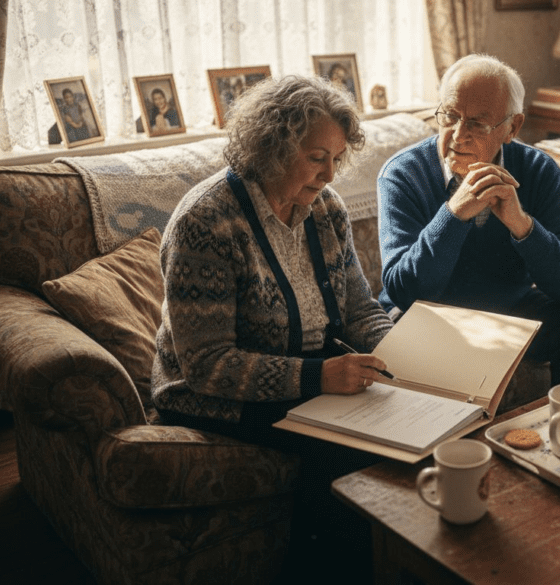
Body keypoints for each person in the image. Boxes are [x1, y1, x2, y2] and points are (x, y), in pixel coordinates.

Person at [151, 74, 392, 581]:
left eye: (336, 158)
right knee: (343, 450)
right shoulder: (207, 221)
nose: (329, 174)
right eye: (315, 157)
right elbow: (207, 365)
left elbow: (359, 309)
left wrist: (407, 353)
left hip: (313, 375)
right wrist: (319, 378)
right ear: (273, 147)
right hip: (213, 395)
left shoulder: (326, 209)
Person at [377, 54, 560, 389]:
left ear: (512, 127)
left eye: (477, 123)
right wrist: (453, 214)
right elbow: (402, 290)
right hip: (428, 316)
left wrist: (522, 225)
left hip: (507, 312)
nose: (458, 135)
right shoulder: (402, 174)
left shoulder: (538, 170)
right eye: (450, 116)